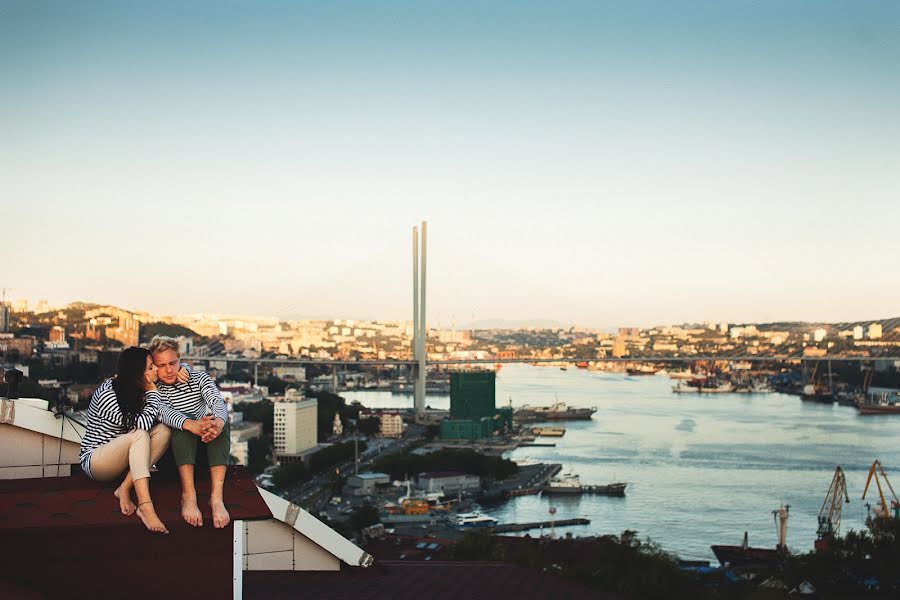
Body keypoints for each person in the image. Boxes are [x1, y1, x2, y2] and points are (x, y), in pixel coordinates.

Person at [79, 346, 172, 534]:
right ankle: (145, 506)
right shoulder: (108, 394)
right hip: (97, 462)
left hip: (124, 461)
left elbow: (174, 372)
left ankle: (124, 488)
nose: (155, 370)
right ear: (137, 373)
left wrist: (184, 369)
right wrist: (153, 392)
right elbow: (142, 426)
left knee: (163, 431)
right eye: (150, 367)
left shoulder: (140, 388)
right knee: (140, 433)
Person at [149, 335, 231, 528]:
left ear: (180, 360)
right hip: (173, 460)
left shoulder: (198, 378)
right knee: (182, 427)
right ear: (153, 366)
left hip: (201, 457)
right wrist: (192, 425)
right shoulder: (152, 389)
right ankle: (189, 496)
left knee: (219, 422)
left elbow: (216, 401)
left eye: (173, 363)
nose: (169, 370)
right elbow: (164, 414)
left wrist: (217, 424)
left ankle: (216, 499)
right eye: (161, 365)